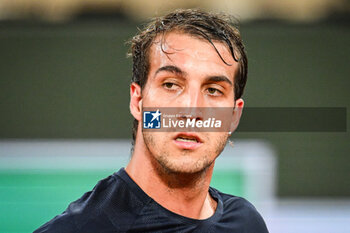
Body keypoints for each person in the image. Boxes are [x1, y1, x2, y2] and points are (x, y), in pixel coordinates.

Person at [34, 9, 269, 233]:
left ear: (233, 117)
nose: (192, 110)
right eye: (170, 85)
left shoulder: (246, 224)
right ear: (138, 101)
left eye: (214, 90)